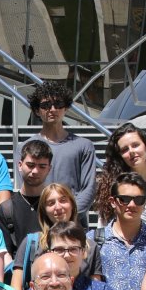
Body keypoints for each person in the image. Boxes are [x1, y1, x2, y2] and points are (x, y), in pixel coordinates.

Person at [21, 82, 96, 224]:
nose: (52, 109)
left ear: (66, 107)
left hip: (74, 225)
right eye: (45, 105)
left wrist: (68, 216)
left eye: (58, 104)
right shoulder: (24, 147)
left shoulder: (84, 146)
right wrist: (45, 217)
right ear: (37, 111)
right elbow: (26, 187)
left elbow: (89, 188)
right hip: (38, 224)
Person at [10, 183, 91, 290]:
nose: (58, 207)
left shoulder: (90, 244)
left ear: (72, 205)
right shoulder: (32, 242)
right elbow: (16, 286)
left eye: (63, 200)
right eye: (51, 203)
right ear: (44, 210)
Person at [93, 123, 146, 233]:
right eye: (124, 149)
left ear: (145, 146)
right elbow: (101, 228)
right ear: (120, 156)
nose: (131, 151)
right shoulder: (112, 186)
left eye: (135, 145)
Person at [0, 138, 51, 261]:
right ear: (20, 165)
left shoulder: (58, 206)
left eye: (42, 166)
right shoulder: (6, 209)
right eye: (30, 165)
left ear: (49, 169)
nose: (35, 171)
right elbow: (3, 254)